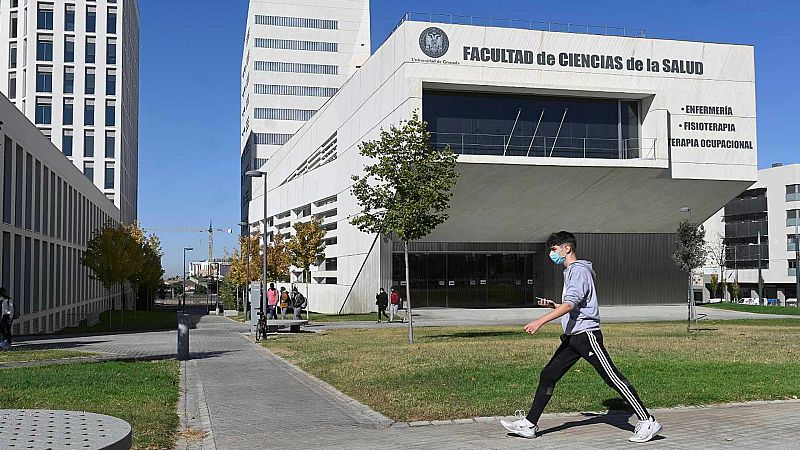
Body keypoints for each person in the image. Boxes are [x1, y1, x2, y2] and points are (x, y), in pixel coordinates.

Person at [500, 231, 661, 443]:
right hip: (573, 337)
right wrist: (553, 305)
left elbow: (571, 304)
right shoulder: (571, 272)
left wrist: (540, 321)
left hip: (586, 335)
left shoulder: (578, 271)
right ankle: (529, 424)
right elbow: (575, 306)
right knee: (548, 375)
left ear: (567, 248)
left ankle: (648, 420)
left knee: (611, 376)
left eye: (554, 249)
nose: (552, 254)